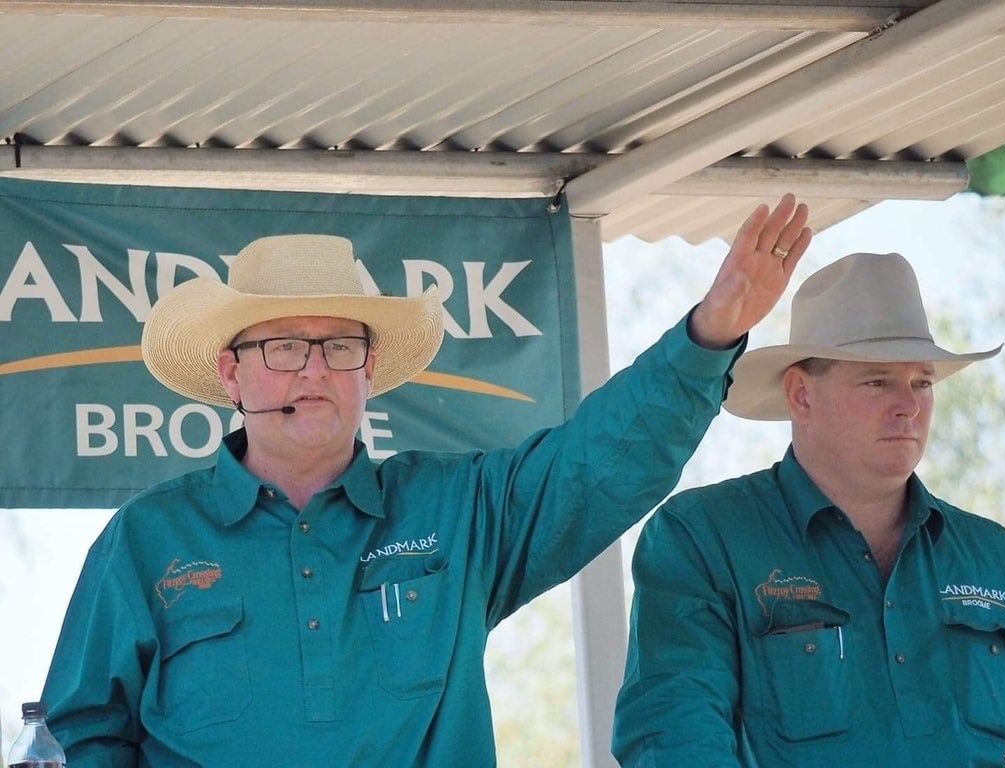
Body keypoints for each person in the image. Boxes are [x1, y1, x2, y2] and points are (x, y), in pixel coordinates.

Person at [40, 196, 811, 768]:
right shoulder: (147, 541)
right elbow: (87, 732)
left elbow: (600, 464)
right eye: (282, 346)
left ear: (369, 370)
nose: (314, 369)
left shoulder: (458, 510)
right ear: (230, 372)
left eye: (339, 345)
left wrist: (710, 334)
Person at [612, 251, 1005, 767]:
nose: (910, 404)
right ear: (801, 396)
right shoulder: (703, 538)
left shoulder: (995, 556)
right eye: (877, 381)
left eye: (922, 382)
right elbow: (673, 740)